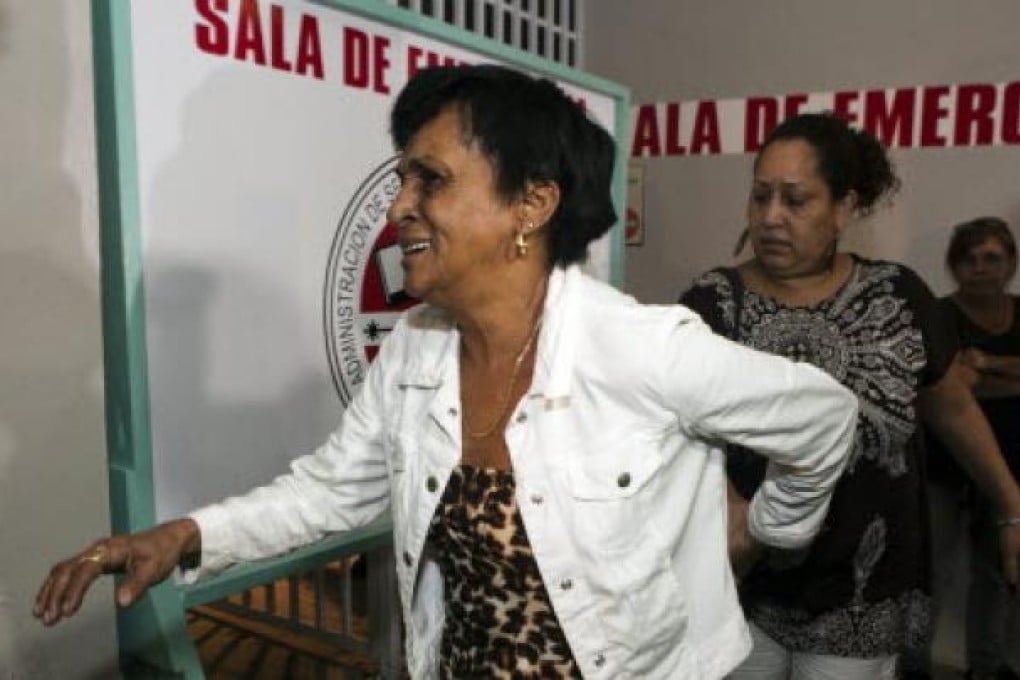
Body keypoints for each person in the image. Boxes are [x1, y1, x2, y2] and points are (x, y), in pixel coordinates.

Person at [34, 65, 859, 678]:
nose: (400, 205)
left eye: (430, 178)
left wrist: (766, 530)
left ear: (531, 206)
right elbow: (329, 493)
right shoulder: (415, 351)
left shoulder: (642, 348)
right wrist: (182, 537)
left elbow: (826, 420)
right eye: (401, 177)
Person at [679, 112, 1020, 680]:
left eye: (795, 200)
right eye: (760, 196)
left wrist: (1011, 507)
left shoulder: (898, 296)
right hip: (738, 586)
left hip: (862, 590)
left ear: (844, 208)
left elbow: (953, 406)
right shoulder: (713, 305)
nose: (771, 217)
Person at [940, 217, 1020, 680]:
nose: (981, 268)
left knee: (999, 572)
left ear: (1010, 263)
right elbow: (952, 390)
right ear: (954, 266)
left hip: (1007, 468)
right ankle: (911, 666)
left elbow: (970, 379)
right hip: (944, 465)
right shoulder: (939, 314)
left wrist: (987, 363)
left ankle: (986, 669)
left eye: (992, 257)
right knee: (931, 572)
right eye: (969, 259)